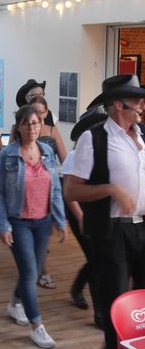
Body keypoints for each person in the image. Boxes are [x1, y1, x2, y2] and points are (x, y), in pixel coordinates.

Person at [64, 74, 145, 349]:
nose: (142, 105)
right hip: (112, 232)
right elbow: (72, 190)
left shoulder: (141, 136)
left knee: (143, 301)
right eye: (136, 100)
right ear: (118, 104)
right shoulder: (94, 139)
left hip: (142, 227)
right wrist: (111, 189)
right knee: (117, 300)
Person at [0, 105, 67, 349]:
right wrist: (2, 225)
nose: (32, 128)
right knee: (29, 273)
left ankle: (15, 303)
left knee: (33, 271)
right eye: (26, 123)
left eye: (35, 123)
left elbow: (55, 189)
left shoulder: (47, 151)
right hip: (19, 222)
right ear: (19, 127)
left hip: (43, 221)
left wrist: (60, 220)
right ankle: (37, 326)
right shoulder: (8, 154)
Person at [62, 108, 107, 325]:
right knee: (97, 260)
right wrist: (80, 217)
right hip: (79, 211)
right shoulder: (74, 156)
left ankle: (77, 287)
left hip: (98, 212)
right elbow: (68, 192)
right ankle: (100, 314)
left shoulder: (104, 152)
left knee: (98, 257)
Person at [28, 95, 68, 290]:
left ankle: (38, 268)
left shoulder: (52, 130)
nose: (38, 115)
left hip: (48, 188)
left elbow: (64, 159)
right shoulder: (21, 129)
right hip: (28, 188)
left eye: (41, 111)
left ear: (46, 112)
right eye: (34, 111)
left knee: (43, 233)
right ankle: (40, 271)